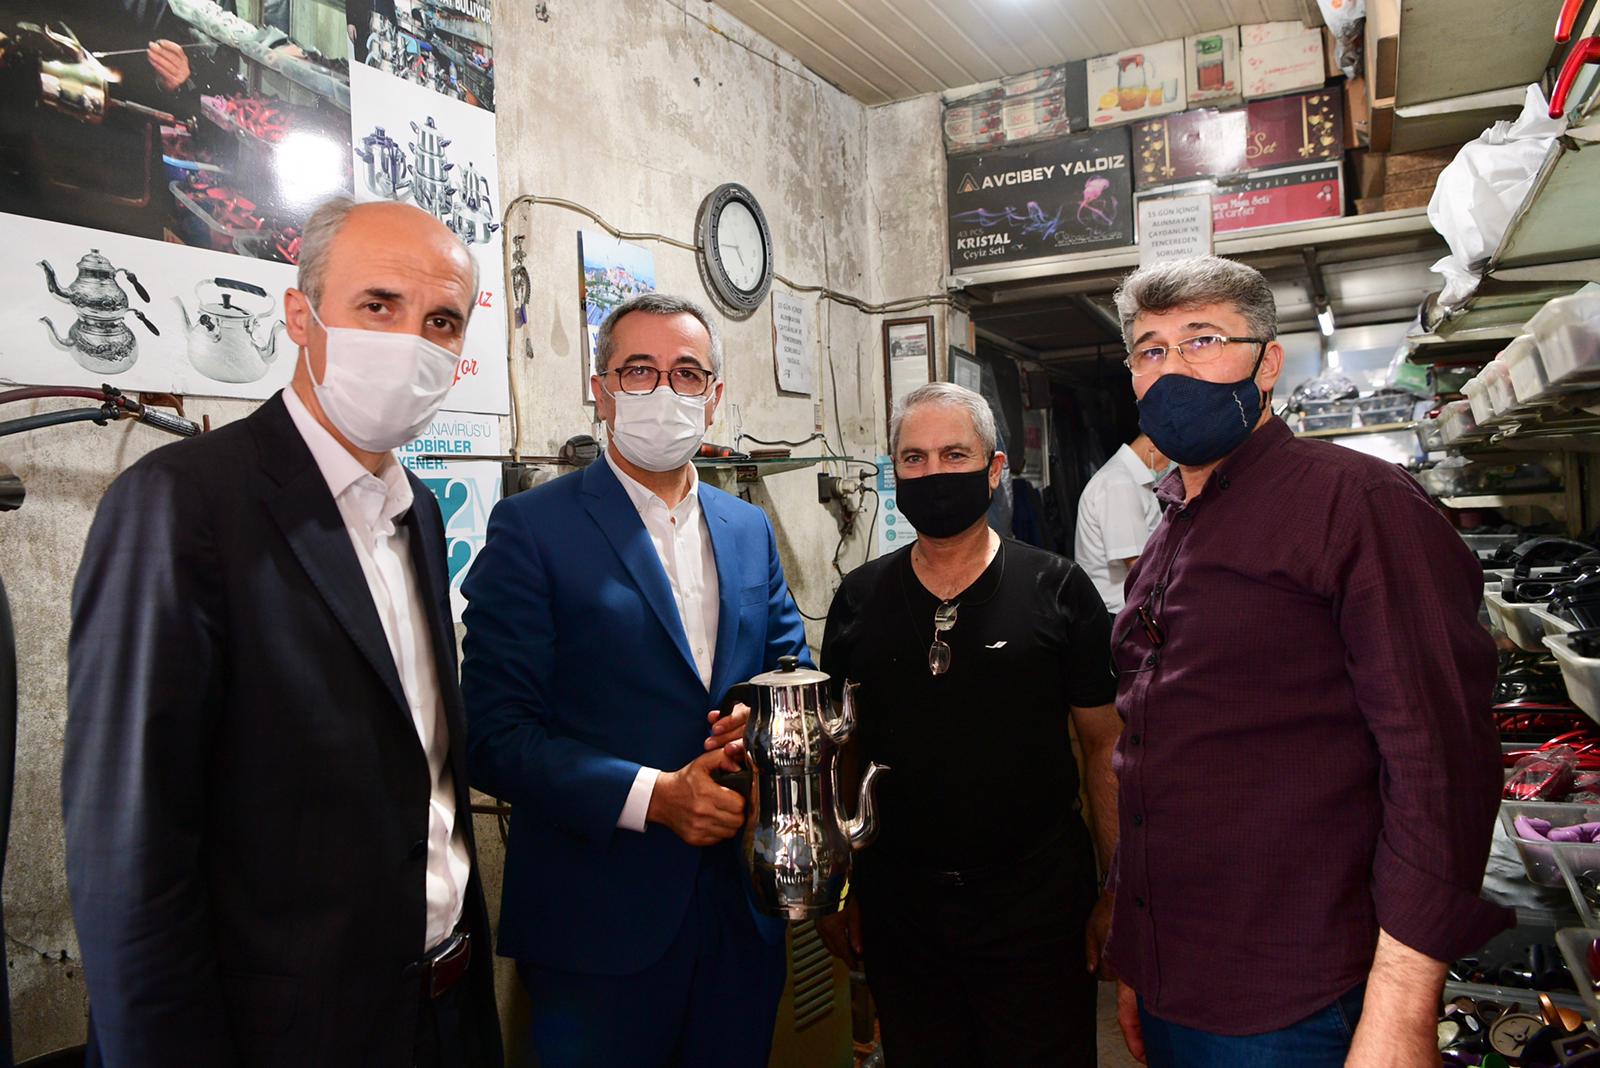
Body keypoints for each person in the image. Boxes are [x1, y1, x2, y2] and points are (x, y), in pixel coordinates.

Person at [63, 197, 502, 1068]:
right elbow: (130, 850)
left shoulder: (417, 514)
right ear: (301, 317)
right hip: (288, 1035)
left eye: (441, 322)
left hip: (445, 1013)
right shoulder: (182, 505)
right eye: (378, 305)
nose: (411, 342)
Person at [1104, 256, 1510, 1068]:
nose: (1173, 368)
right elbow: (1154, 750)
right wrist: (1137, 959)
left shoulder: (1357, 504)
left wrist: (1402, 1005)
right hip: (1175, 975)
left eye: (1203, 340)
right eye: (1151, 350)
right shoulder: (1172, 522)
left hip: (1300, 995)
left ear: (1268, 363)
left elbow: (1440, 761)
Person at [460, 293, 808, 1068]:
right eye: (639, 370)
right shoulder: (534, 529)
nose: (664, 390)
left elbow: (788, 666)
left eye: (687, 373)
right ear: (602, 389)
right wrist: (654, 796)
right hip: (597, 930)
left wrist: (761, 722)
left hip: (740, 915)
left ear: (714, 395)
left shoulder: (747, 527)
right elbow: (494, 736)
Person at [817, 381, 1121, 1066]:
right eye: (914, 458)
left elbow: (1105, 745)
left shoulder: (1057, 589)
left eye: (954, 455)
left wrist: (1116, 890)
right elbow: (841, 752)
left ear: (994, 469)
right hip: (902, 910)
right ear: (894, 472)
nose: (934, 473)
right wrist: (841, 887)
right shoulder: (859, 599)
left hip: (1036, 905)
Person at [1075, 431, 1169, 614]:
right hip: (1117, 613)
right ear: (1153, 445)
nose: (1171, 464)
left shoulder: (1131, 480)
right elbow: (1137, 565)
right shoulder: (1120, 483)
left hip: (1127, 608)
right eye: (1171, 455)